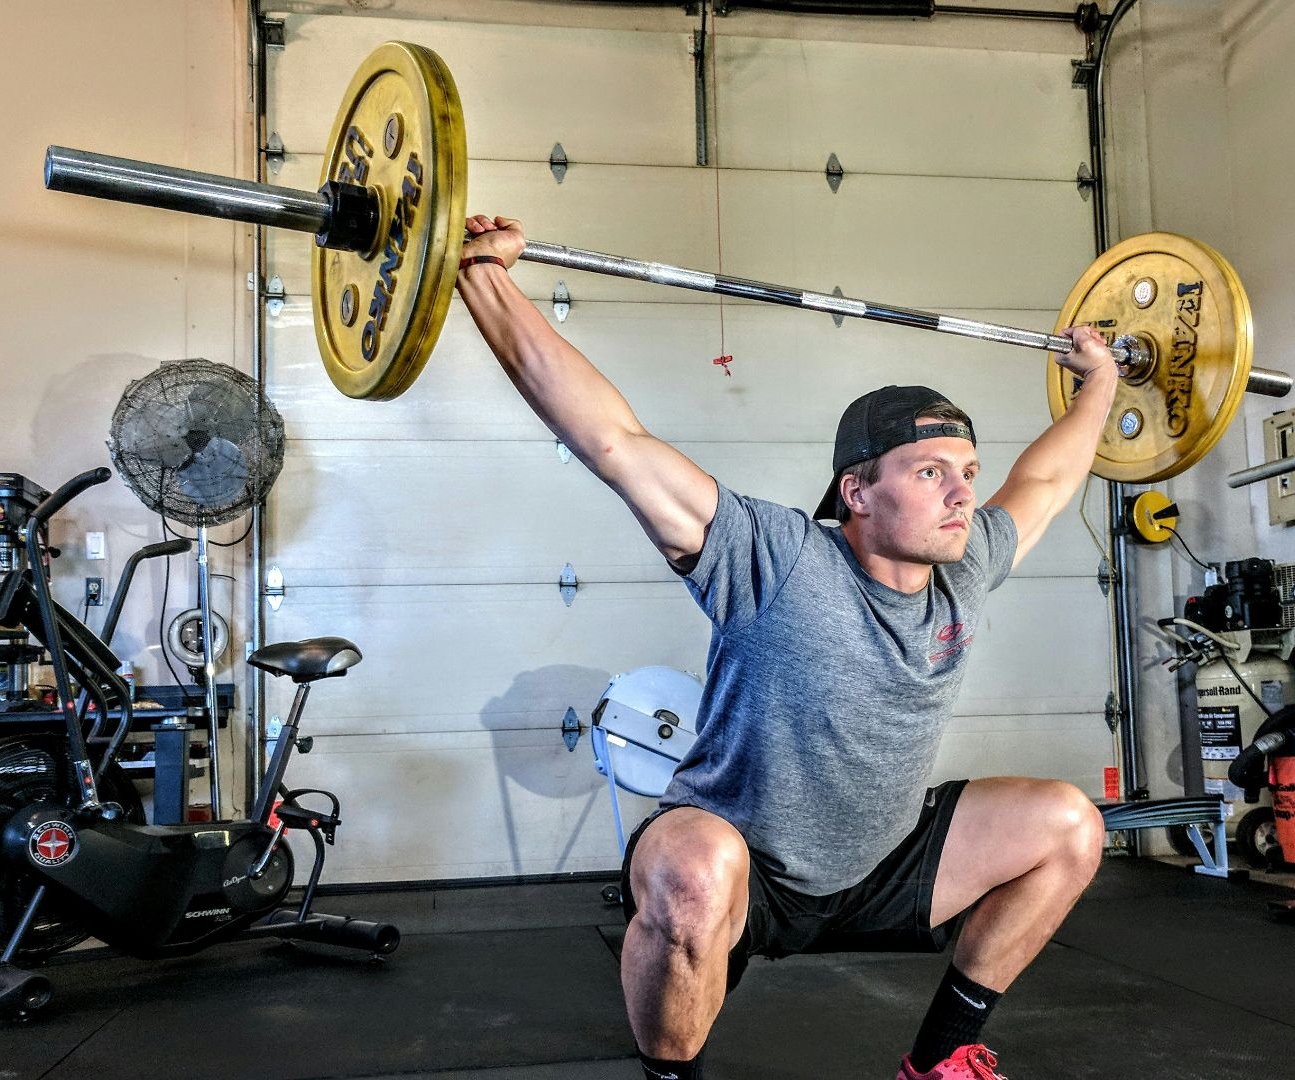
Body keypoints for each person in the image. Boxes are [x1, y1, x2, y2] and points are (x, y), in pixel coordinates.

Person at [456, 214, 1117, 1080]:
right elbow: (613, 442)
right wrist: (483, 278)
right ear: (857, 492)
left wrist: (1099, 381)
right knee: (691, 870)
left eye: (966, 471)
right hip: (744, 862)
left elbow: (1051, 476)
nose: (964, 493)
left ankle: (941, 1061)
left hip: (883, 860)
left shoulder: (968, 563)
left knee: (1070, 826)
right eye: (930, 473)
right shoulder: (776, 557)